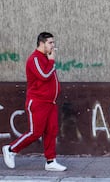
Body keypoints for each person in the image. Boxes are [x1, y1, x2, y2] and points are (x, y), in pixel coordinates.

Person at [2, 32, 66, 171]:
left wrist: (50, 61)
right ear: (42, 43)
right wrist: (52, 61)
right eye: (50, 43)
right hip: (38, 102)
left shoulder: (46, 58)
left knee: (51, 131)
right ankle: (11, 149)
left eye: (53, 43)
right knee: (35, 132)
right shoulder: (35, 59)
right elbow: (44, 76)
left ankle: (50, 161)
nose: (53, 46)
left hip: (50, 102)